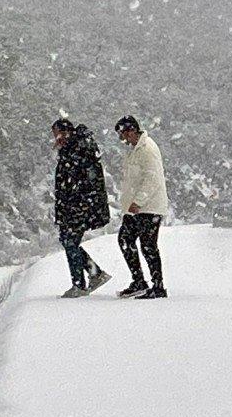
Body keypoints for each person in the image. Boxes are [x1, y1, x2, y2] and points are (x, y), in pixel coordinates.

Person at [52, 118, 111, 298]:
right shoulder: (72, 149)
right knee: (67, 239)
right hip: (73, 204)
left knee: (69, 240)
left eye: (59, 134)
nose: (57, 139)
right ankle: (95, 273)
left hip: (79, 205)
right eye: (55, 136)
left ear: (67, 132)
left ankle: (79, 284)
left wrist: (81, 203)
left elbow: (86, 180)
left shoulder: (79, 149)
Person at [114, 115, 170, 299]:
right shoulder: (134, 150)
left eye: (123, 135)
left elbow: (152, 178)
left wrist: (139, 201)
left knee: (148, 245)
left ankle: (158, 286)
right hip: (134, 209)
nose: (123, 140)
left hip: (149, 207)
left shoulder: (147, 149)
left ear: (131, 131)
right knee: (125, 239)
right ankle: (138, 280)